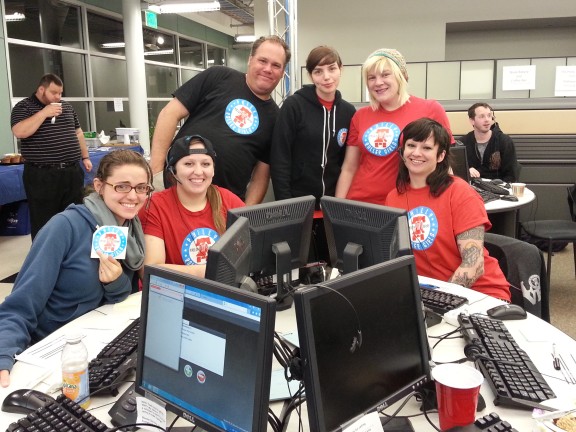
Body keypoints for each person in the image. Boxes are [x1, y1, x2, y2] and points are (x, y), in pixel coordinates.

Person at [0, 150, 151, 387]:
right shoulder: (65, 226)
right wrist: (3, 353)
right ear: (99, 186)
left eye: (141, 187)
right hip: (54, 356)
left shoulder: (130, 230)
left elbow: (119, 298)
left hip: (100, 349)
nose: (133, 196)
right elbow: (19, 306)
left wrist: (115, 281)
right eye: (122, 186)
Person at [149, 35, 291, 205]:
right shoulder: (218, 77)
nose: (268, 69)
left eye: (276, 65)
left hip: (223, 207)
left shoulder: (276, 118)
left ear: (282, 73)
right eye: (263, 61)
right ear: (250, 60)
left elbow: (261, 177)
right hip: (174, 189)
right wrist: (155, 173)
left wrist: (244, 215)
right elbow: (169, 114)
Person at [385, 118, 511, 301]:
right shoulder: (393, 198)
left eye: (427, 148)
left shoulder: (460, 193)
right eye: (411, 145)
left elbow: (474, 265)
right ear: (402, 152)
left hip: (480, 294)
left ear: (441, 156)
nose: (416, 153)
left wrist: (437, 300)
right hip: (426, 294)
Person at [270, 45, 356, 264]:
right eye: (318, 71)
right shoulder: (294, 106)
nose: (326, 77)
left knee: (333, 269)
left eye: (331, 69)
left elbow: (348, 163)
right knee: (301, 270)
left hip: (331, 210)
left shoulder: (348, 112)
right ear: (310, 75)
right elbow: (280, 159)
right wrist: (287, 207)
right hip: (299, 208)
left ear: (341, 69)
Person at [336, 48, 453, 206]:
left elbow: (445, 164)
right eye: (371, 78)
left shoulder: (430, 109)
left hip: (406, 204)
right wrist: (336, 207)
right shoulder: (360, 116)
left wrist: (450, 203)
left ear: (401, 76)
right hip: (359, 205)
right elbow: (349, 167)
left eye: (385, 75)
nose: (378, 82)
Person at [140, 135, 245, 278]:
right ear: (173, 170)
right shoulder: (154, 206)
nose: (198, 172)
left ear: (213, 170)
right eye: (189, 164)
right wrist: (209, 271)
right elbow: (151, 270)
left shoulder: (228, 200)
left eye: (206, 164)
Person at [11, 73, 93, 239]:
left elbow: (78, 133)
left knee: (74, 214)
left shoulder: (66, 107)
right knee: (44, 220)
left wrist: (85, 157)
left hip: (71, 171)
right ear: (41, 89)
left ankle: (71, 255)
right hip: (42, 175)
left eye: (60, 93)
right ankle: (45, 258)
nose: (58, 97)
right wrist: (44, 113)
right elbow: (19, 131)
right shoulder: (23, 107)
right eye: (54, 93)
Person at [460, 102, 520, 183]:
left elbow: (511, 176)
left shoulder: (504, 141)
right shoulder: (462, 143)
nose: (487, 119)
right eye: (482, 116)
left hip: (499, 190)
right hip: (471, 189)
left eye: (489, 116)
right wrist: (466, 170)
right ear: (472, 121)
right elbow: (455, 171)